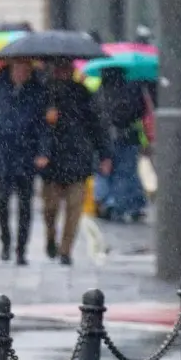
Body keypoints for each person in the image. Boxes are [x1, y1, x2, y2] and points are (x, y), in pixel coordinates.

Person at [36, 59, 111, 266]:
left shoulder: (83, 93)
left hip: (78, 159)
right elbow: (34, 126)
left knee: (74, 209)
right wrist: (47, 122)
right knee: (50, 209)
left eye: (67, 68)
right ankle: (51, 236)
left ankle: (65, 250)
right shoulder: (45, 93)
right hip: (52, 161)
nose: (63, 71)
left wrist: (105, 154)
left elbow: (97, 125)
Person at [0, 60, 47, 264]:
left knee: (25, 205)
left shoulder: (36, 93)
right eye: (18, 69)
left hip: (26, 156)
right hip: (2, 155)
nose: (21, 73)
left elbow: (43, 126)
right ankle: (6, 242)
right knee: (2, 201)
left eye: (25, 70)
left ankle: (21, 249)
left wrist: (42, 152)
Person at [93, 67, 148, 222]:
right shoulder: (131, 88)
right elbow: (140, 111)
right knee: (124, 173)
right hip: (128, 137)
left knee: (103, 171)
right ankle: (118, 205)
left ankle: (104, 202)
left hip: (104, 137)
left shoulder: (99, 92)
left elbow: (95, 115)